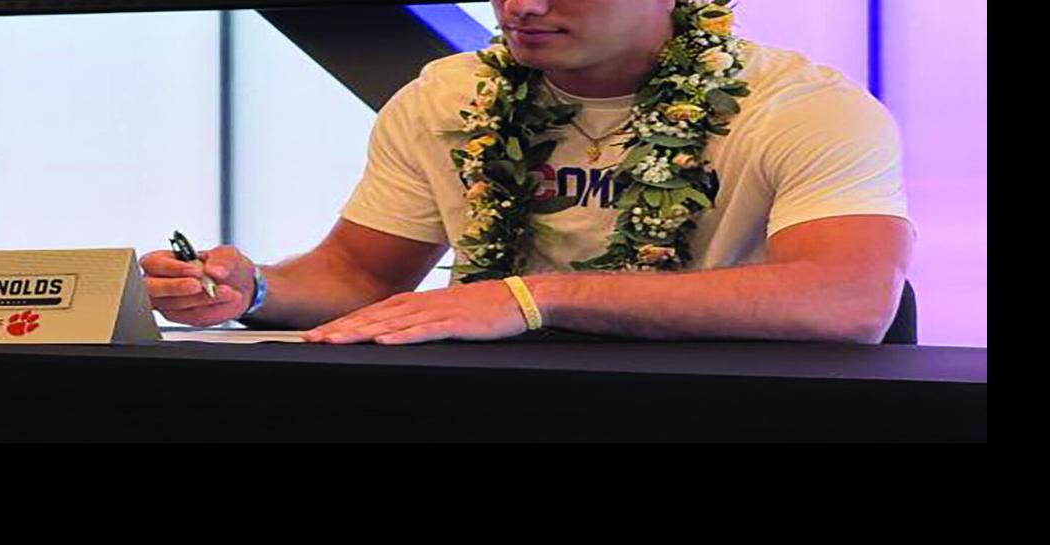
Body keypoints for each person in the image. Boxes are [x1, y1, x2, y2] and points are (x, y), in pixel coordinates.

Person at [140, 0, 914, 345]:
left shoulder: (797, 105)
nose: (522, 6)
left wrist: (530, 297)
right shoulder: (448, 95)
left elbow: (848, 300)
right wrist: (254, 289)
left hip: (723, 408)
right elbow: (359, 274)